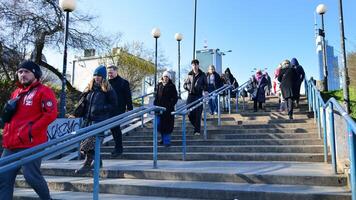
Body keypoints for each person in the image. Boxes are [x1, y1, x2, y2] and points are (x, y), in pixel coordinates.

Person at [0, 60, 57, 200]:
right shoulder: (16, 93)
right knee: (3, 178)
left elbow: (51, 114)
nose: (22, 74)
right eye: (20, 72)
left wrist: (30, 131)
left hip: (31, 143)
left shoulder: (44, 91)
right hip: (10, 144)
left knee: (31, 176)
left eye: (26, 71)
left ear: (35, 74)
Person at [74, 65, 118, 174]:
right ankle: (98, 161)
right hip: (87, 121)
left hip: (99, 121)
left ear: (103, 77)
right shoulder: (89, 89)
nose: (96, 77)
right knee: (85, 143)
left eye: (98, 75)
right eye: (95, 75)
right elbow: (82, 102)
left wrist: (101, 109)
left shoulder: (108, 90)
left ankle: (87, 164)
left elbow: (114, 105)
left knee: (87, 145)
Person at [107, 65, 133, 157]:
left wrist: (130, 108)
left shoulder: (123, 82)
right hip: (108, 109)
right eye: (108, 72)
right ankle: (117, 148)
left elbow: (128, 96)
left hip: (119, 109)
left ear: (116, 71)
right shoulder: (106, 83)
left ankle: (118, 148)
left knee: (115, 127)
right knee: (113, 128)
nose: (109, 74)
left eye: (111, 72)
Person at [153, 71, 178, 147]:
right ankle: (163, 138)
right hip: (159, 109)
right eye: (164, 76)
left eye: (167, 76)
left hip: (168, 110)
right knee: (158, 124)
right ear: (162, 77)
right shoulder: (159, 85)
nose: (165, 78)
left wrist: (170, 105)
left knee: (167, 125)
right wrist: (155, 104)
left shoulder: (172, 86)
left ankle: (166, 141)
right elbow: (157, 96)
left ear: (169, 78)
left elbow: (175, 98)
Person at [183, 59, 208, 136]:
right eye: (193, 65)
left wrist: (202, 88)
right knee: (189, 112)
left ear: (198, 65)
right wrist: (188, 87)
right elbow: (184, 85)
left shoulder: (202, 74)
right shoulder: (189, 74)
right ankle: (196, 126)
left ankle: (197, 131)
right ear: (192, 66)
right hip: (191, 95)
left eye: (196, 65)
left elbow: (206, 85)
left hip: (199, 95)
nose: (195, 66)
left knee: (198, 113)